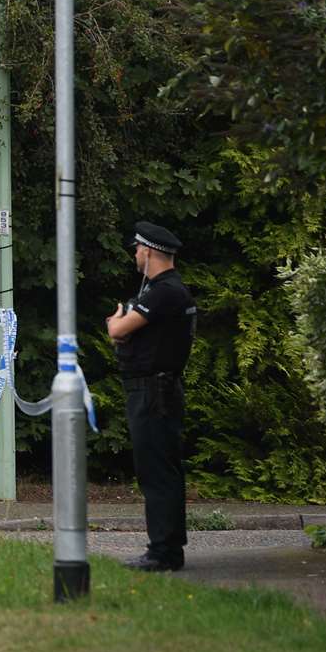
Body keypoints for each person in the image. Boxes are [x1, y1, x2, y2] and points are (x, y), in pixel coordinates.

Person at [106, 222, 197, 572]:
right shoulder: (164, 291)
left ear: (148, 251)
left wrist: (117, 323)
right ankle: (167, 548)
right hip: (155, 390)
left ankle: (164, 552)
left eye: (137, 249)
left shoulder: (163, 293)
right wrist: (121, 327)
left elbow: (118, 329)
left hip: (153, 392)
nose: (134, 254)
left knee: (157, 472)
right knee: (161, 470)